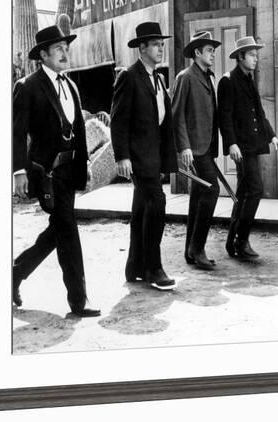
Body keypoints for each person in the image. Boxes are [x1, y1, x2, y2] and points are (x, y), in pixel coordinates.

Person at [12, 25, 100, 317]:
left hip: (69, 171)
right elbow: (16, 133)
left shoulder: (71, 86)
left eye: (66, 47)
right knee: (68, 230)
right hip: (46, 173)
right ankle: (79, 299)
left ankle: (14, 273)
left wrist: (85, 165)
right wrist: (17, 172)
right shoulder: (28, 86)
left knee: (58, 231)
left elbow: (79, 132)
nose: (65, 53)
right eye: (59, 49)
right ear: (44, 55)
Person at [110, 21, 178, 290]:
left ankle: (134, 266)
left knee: (141, 211)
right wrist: (122, 156)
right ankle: (153, 268)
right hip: (138, 158)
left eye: (162, 45)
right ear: (142, 48)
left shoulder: (158, 79)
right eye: (156, 45)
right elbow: (118, 120)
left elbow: (163, 122)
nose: (161, 49)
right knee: (157, 204)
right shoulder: (129, 76)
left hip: (155, 158)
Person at [217, 36, 278, 259]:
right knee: (255, 189)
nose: (256, 59)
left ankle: (232, 241)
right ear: (240, 57)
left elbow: (259, 113)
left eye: (256, 54)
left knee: (244, 192)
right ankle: (241, 240)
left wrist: (272, 135)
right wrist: (231, 143)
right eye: (252, 55)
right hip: (241, 147)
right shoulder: (228, 80)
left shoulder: (248, 79)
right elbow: (224, 117)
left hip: (253, 145)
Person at [171, 31, 222, 270]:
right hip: (194, 149)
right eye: (209, 50)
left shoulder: (209, 77)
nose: (213, 54)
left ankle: (190, 251)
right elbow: (177, 114)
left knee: (198, 196)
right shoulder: (186, 77)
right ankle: (198, 247)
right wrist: (184, 147)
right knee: (212, 189)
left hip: (208, 146)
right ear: (197, 52)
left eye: (213, 50)